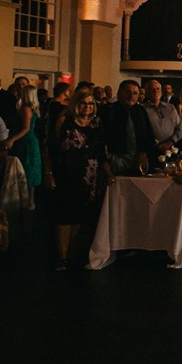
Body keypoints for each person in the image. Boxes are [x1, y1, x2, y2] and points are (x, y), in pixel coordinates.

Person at [45, 89, 111, 270]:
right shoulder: (63, 121)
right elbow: (50, 147)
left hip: (91, 177)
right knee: (65, 216)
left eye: (91, 103)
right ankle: (62, 257)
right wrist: (49, 173)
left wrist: (108, 173)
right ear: (75, 104)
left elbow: (102, 150)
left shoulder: (97, 123)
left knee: (82, 216)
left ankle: (74, 253)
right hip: (66, 175)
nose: (88, 107)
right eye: (84, 103)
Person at [1, 85, 44, 209]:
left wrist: (11, 139)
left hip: (26, 142)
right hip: (29, 140)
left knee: (26, 169)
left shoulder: (26, 108)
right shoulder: (32, 108)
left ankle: (27, 205)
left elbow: (25, 128)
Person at [100, 80, 153, 177]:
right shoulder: (107, 111)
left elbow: (149, 135)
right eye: (128, 92)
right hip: (115, 161)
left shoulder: (141, 111)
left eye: (135, 93)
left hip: (137, 161)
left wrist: (144, 152)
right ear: (119, 93)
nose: (131, 96)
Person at [142, 79, 182, 158]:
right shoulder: (142, 110)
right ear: (146, 92)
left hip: (172, 149)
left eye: (157, 89)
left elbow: (180, 127)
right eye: (152, 89)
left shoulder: (170, 107)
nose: (155, 91)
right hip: (152, 151)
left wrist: (170, 141)